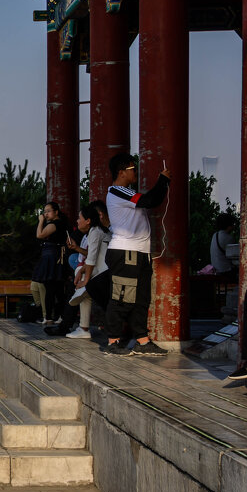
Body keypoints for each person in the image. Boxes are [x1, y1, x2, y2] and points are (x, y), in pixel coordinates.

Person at [103, 153, 170, 356]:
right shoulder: (117, 191)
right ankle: (113, 341)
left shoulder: (126, 192)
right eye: (133, 168)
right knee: (122, 298)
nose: (136, 172)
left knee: (141, 299)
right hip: (125, 251)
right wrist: (163, 179)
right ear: (121, 172)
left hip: (140, 252)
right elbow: (150, 200)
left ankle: (142, 340)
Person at [66, 202, 110, 340]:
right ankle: (83, 327)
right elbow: (91, 256)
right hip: (100, 272)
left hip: (105, 274)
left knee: (87, 287)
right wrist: (81, 273)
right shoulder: (94, 232)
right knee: (84, 284)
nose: (77, 221)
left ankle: (83, 327)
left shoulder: (95, 232)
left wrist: (85, 280)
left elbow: (91, 258)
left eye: (79, 218)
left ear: (88, 220)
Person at [31, 202, 69, 324]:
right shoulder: (58, 223)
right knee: (56, 289)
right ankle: (58, 316)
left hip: (53, 257)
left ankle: (49, 317)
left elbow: (40, 235)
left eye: (48, 211)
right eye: (44, 211)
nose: (45, 214)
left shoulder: (55, 223)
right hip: (53, 256)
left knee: (51, 288)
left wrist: (41, 221)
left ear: (56, 212)